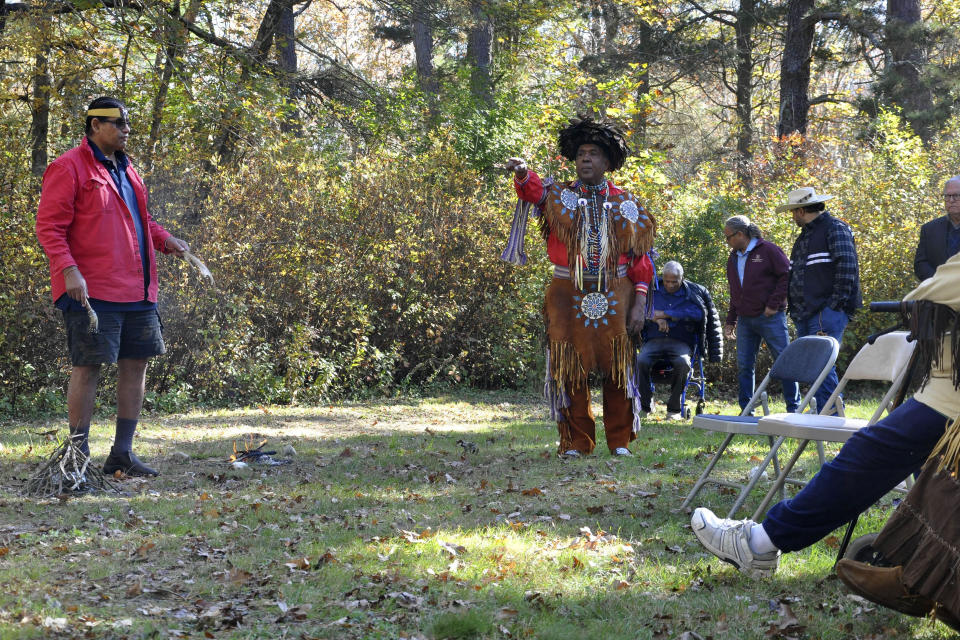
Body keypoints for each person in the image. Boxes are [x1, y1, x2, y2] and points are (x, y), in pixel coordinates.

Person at [689, 253, 960, 591]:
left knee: (869, 456)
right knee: (927, 478)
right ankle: (929, 566)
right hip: (944, 394)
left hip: (948, 402)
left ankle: (758, 544)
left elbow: (931, 291)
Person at [35, 96, 190, 479]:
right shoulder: (68, 167)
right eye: (118, 124)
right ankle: (78, 458)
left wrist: (166, 239)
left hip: (138, 290)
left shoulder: (128, 169)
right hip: (91, 290)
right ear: (94, 126)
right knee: (87, 367)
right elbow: (49, 228)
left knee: (136, 365)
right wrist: (68, 270)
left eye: (127, 124)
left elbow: (142, 220)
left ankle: (122, 454)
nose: (126, 131)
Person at [502, 116, 656, 458]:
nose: (586, 158)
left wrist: (639, 303)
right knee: (569, 368)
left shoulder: (626, 203)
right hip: (566, 292)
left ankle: (619, 442)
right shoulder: (560, 195)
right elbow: (533, 191)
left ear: (607, 162)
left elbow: (641, 261)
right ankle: (576, 442)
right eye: (582, 153)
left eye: (594, 153)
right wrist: (523, 172)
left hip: (617, 293)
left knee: (619, 368)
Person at [779, 187, 861, 414]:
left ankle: (831, 412)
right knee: (813, 365)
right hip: (805, 312)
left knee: (822, 363)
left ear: (802, 210)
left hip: (825, 311)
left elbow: (847, 267)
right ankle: (825, 410)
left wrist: (834, 305)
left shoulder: (835, 228)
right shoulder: (805, 235)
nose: (792, 216)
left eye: (793, 211)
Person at [722, 215, 799, 414]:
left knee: (784, 362)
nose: (727, 242)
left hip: (771, 318)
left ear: (740, 234)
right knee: (745, 366)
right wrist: (731, 320)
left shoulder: (769, 250)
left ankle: (793, 408)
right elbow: (735, 292)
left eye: (728, 237)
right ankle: (747, 409)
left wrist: (774, 304)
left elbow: (787, 276)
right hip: (746, 321)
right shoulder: (733, 258)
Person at [635, 261, 722, 420]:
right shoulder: (652, 289)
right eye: (667, 281)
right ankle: (645, 406)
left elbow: (698, 313)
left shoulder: (694, 292)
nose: (670, 285)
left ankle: (674, 409)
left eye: (674, 281)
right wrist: (656, 319)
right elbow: (640, 309)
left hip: (681, 342)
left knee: (683, 363)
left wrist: (667, 314)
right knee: (640, 360)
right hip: (654, 341)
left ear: (682, 278)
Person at [914, 175, 960, 281]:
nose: (951, 200)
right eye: (947, 196)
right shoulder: (929, 229)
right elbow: (920, 264)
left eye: (956, 195)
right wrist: (939, 281)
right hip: (938, 292)